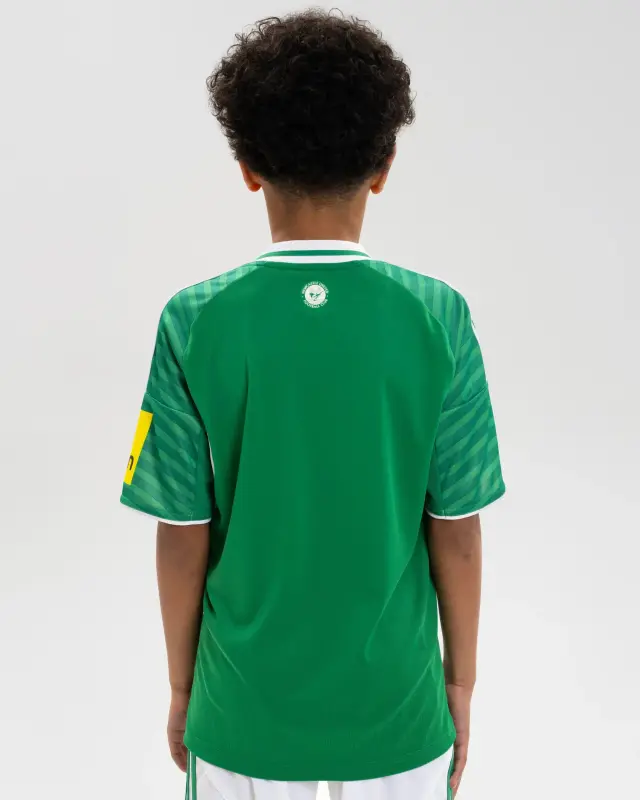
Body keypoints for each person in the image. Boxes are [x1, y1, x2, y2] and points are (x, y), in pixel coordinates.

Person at [120, 9, 505, 800]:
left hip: (241, 717)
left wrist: (185, 689)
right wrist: (461, 684)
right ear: (384, 164)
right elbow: (458, 527)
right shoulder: (440, 316)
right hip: (399, 715)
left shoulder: (193, 320)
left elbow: (181, 532)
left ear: (247, 165)